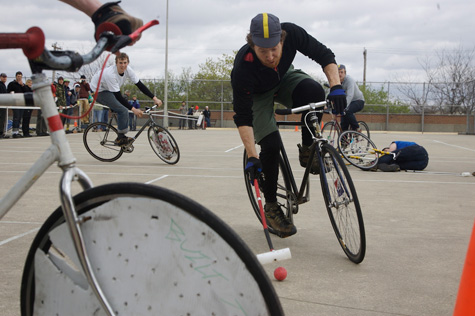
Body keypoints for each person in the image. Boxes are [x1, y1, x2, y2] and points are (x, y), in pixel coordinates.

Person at [232, 13, 346, 238]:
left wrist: (336, 86)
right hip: (258, 94)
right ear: (252, 44)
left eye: (275, 48)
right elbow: (243, 117)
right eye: (263, 51)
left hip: (283, 78)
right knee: (271, 146)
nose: (271, 56)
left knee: (313, 91)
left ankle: (307, 150)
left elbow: (325, 55)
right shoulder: (243, 68)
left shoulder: (292, 33)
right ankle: (272, 206)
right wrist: (252, 155)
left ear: (282, 39)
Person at [90, 52, 162, 146]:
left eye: (125, 63)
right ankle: (120, 138)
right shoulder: (110, 74)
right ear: (116, 63)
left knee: (121, 106)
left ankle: (119, 127)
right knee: (123, 110)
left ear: (128, 63)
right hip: (98, 91)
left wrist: (154, 98)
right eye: (120, 63)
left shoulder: (128, 70)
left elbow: (140, 85)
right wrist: (134, 109)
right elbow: (118, 96)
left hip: (109, 90)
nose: (123, 65)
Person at [338, 64, 365, 132]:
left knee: (347, 111)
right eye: (338, 72)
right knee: (343, 124)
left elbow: (350, 95)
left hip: (358, 100)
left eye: (341, 72)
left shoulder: (349, 80)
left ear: (345, 73)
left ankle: (357, 128)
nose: (340, 74)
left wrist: (343, 107)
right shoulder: (337, 82)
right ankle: (345, 141)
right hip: (348, 102)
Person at [7, 71, 30, 138]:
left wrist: (22, 85)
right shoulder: (12, 84)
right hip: (15, 103)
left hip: (22, 103)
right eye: (18, 76)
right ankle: (14, 132)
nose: (19, 77)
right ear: (16, 76)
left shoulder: (23, 85)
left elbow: (27, 92)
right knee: (16, 117)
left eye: (20, 76)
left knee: (20, 118)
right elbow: (8, 91)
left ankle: (17, 131)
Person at [0, 73, 9, 139]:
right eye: (3, 77)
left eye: (5, 77)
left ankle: (2, 132)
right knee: (1, 119)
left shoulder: (3, 85)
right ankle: (0, 133)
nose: (4, 78)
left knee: (3, 119)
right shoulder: (0, 85)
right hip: (1, 104)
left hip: (4, 104)